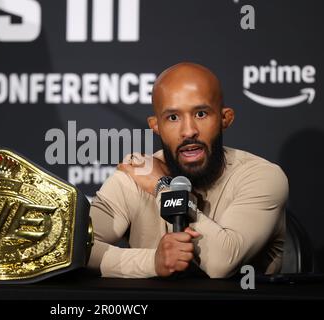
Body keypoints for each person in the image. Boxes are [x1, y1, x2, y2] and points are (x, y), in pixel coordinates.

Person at [87, 62, 288, 278]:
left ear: (224, 118)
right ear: (156, 126)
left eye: (201, 114)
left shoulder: (262, 176)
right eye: (173, 118)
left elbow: (221, 263)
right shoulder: (138, 173)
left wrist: (162, 187)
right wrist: (152, 262)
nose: (189, 131)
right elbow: (74, 248)